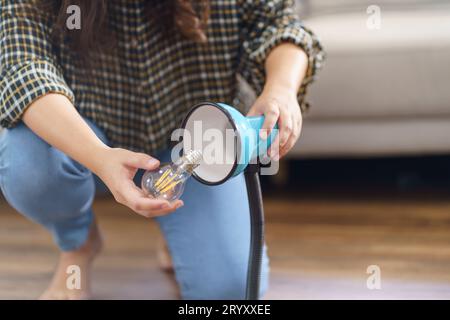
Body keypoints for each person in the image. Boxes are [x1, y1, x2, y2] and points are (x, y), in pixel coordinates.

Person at [0, 0, 324, 299]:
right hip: (88, 138)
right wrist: (98, 157)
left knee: (230, 289)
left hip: (197, 145)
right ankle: (77, 244)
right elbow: (23, 66)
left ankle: (180, 226)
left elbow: (279, 24)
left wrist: (281, 88)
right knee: (28, 166)